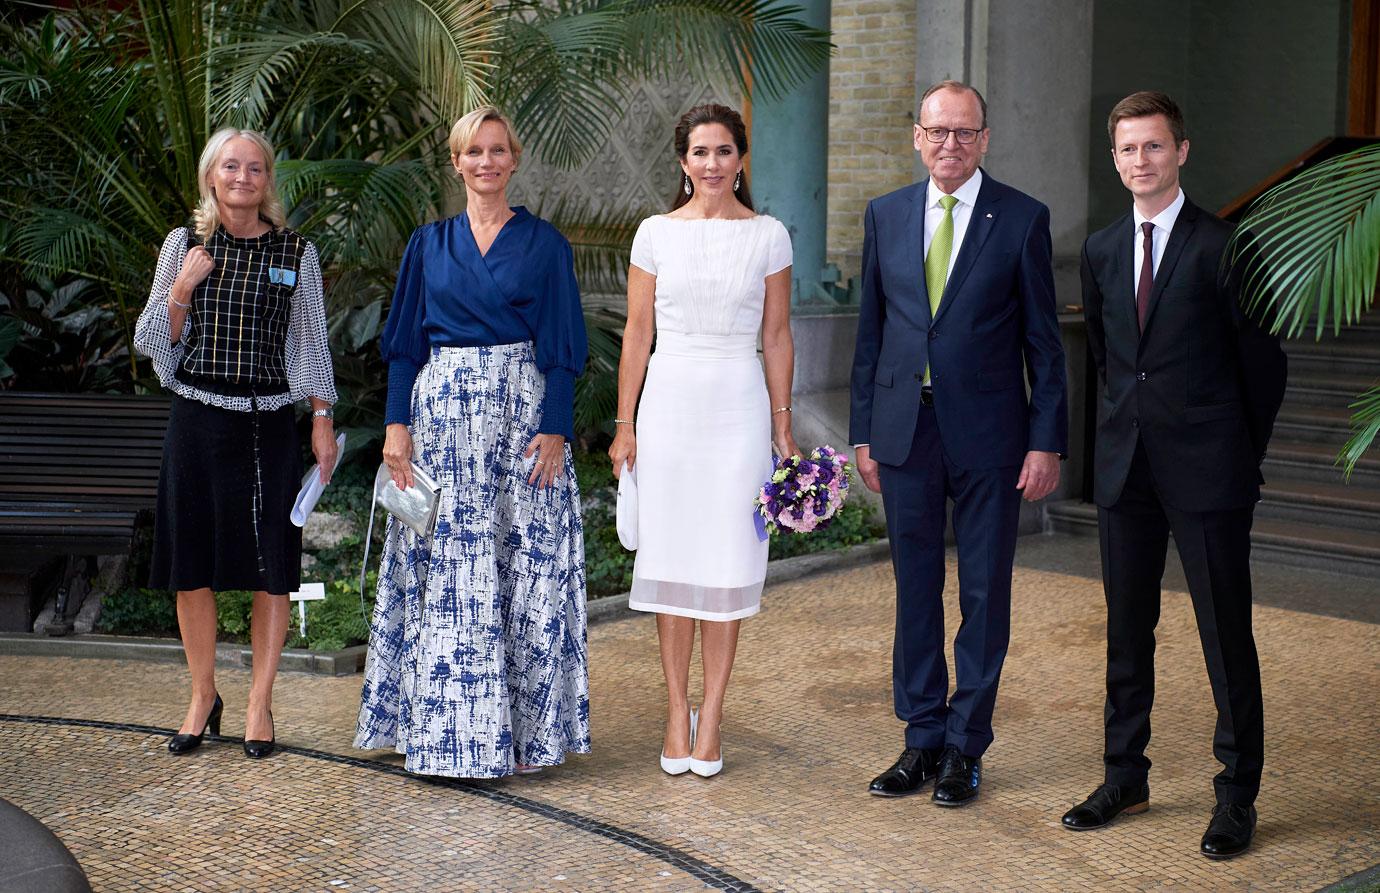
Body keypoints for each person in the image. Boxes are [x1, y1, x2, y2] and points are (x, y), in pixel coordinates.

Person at [1062, 91, 1287, 860]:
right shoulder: (1098, 250)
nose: (1140, 161)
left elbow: (1264, 365)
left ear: (1181, 151)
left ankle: (1237, 795)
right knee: (1127, 633)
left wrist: (1234, 453)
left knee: (1225, 635)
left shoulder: (1229, 246)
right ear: (1115, 157)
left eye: (1153, 146)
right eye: (1127, 149)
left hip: (1209, 471)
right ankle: (1125, 774)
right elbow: (1107, 359)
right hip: (1128, 471)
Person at [354, 107, 590, 779]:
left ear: (514, 159)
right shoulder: (427, 244)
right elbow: (404, 345)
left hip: (521, 419)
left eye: (497, 150)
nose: (485, 162)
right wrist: (396, 427)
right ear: (455, 162)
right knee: (447, 573)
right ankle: (439, 735)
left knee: (523, 569)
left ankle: (521, 737)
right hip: (441, 421)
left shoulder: (545, 244)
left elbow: (564, 345)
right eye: (472, 151)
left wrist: (556, 427)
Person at [849, 80, 1068, 806]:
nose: (950, 144)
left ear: (984, 139)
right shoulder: (884, 215)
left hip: (993, 436)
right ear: (917, 136)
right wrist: (862, 433)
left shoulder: (1023, 219)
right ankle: (921, 738)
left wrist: (1047, 440)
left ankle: (966, 746)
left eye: (964, 133)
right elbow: (871, 334)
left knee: (982, 591)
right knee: (915, 587)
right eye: (938, 131)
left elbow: (1045, 342)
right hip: (904, 433)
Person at [134, 127, 338, 759]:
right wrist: (179, 293)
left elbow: (309, 341)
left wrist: (321, 414)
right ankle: (203, 695)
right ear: (211, 177)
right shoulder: (184, 244)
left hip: (267, 427)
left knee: (271, 567)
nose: (243, 177)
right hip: (197, 420)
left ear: (267, 178)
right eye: (231, 167)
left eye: (255, 168)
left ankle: (258, 703)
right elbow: (150, 342)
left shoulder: (296, 251)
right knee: (190, 567)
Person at [608, 103, 797, 779]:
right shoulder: (655, 232)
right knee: (673, 562)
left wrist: (782, 423)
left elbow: (776, 334)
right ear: (682, 162)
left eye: (724, 150)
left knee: (725, 562)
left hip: (738, 407)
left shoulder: (770, 235)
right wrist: (625, 424)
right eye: (699, 151)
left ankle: (711, 713)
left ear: (741, 159)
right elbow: (636, 333)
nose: (712, 163)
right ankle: (674, 708)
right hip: (669, 406)